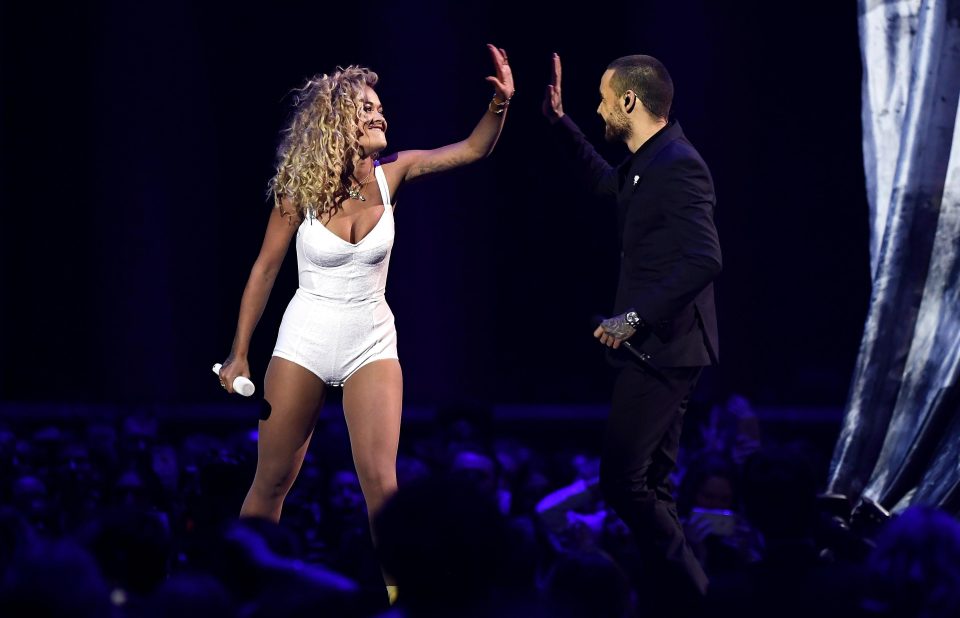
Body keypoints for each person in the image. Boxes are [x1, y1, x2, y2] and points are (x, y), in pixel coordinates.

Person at [217, 45, 513, 538]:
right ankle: (245, 589)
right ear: (337, 122)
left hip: (371, 339)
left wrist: (499, 104)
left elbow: (472, 149)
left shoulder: (393, 172)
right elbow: (265, 269)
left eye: (380, 107)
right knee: (271, 481)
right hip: (304, 339)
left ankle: (403, 600)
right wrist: (239, 353)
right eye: (368, 108)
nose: (382, 114)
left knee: (381, 483)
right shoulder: (299, 190)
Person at [542, 53, 721, 602]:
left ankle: (695, 597)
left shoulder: (678, 163)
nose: (597, 107)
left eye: (601, 98)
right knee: (649, 486)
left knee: (624, 481)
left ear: (629, 101)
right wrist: (562, 123)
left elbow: (705, 259)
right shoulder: (651, 161)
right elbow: (608, 184)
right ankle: (683, 597)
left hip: (663, 348)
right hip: (662, 349)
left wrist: (632, 318)